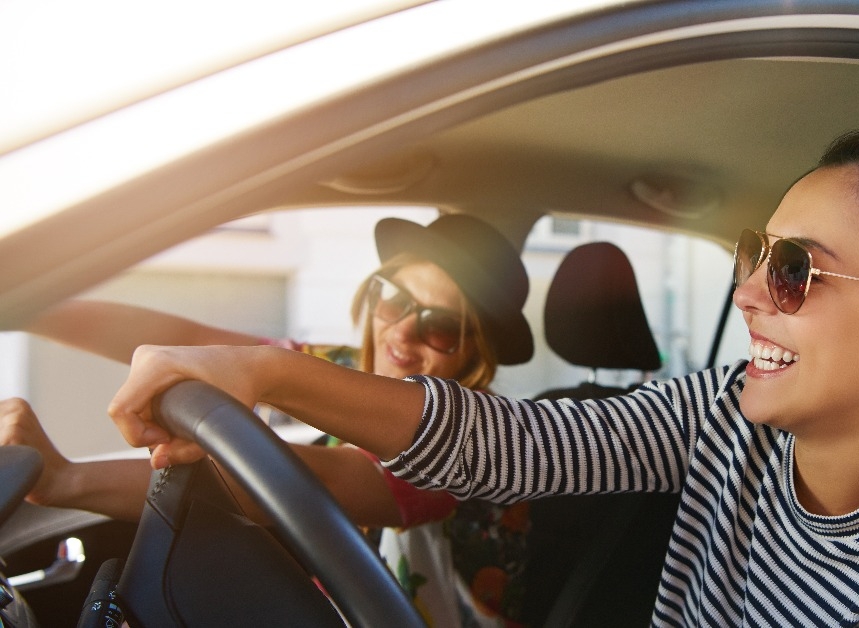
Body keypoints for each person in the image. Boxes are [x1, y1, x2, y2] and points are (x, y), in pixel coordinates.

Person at [106, 103, 859, 625]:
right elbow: (512, 446)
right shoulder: (724, 417)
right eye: (755, 253)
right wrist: (259, 374)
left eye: (796, 271)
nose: (749, 292)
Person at [3, 214, 537, 627]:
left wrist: (68, 478)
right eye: (393, 299)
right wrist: (34, 306)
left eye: (439, 326)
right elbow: (195, 346)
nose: (400, 334)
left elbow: (316, 481)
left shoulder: (474, 439)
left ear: (474, 356)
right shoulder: (347, 367)